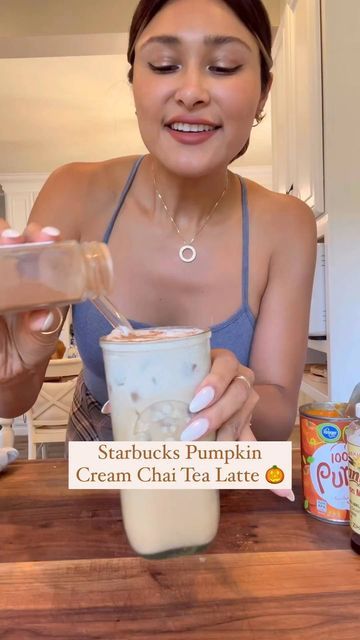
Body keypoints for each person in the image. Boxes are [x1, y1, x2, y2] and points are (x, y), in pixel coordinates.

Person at [0, 0, 316, 447]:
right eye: (164, 64)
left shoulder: (287, 224)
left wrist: (234, 395)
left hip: (221, 482)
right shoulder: (73, 191)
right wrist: (11, 364)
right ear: (135, 84)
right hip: (91, 484)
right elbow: (12, 400)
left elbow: (279, 410)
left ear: (264, 91)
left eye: (224, 67)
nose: (191, 91)